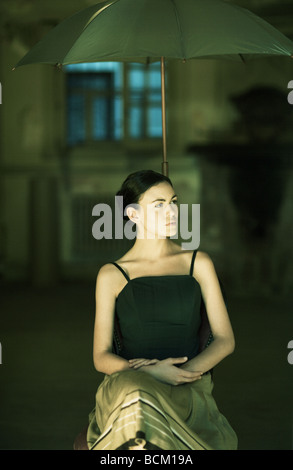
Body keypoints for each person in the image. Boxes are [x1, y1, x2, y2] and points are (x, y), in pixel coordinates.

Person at [86, 169, 237, 450]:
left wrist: (179, 374)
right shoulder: (111, 274)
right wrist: (151, 373)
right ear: (133, 215)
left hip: (186, 387)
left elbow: (226, 340)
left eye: (174, 202)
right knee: (137, 393)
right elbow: (100, 357)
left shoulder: (198, 262)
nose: (172, 212)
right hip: (127, 387)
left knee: (145, 403)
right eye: (159, 205)